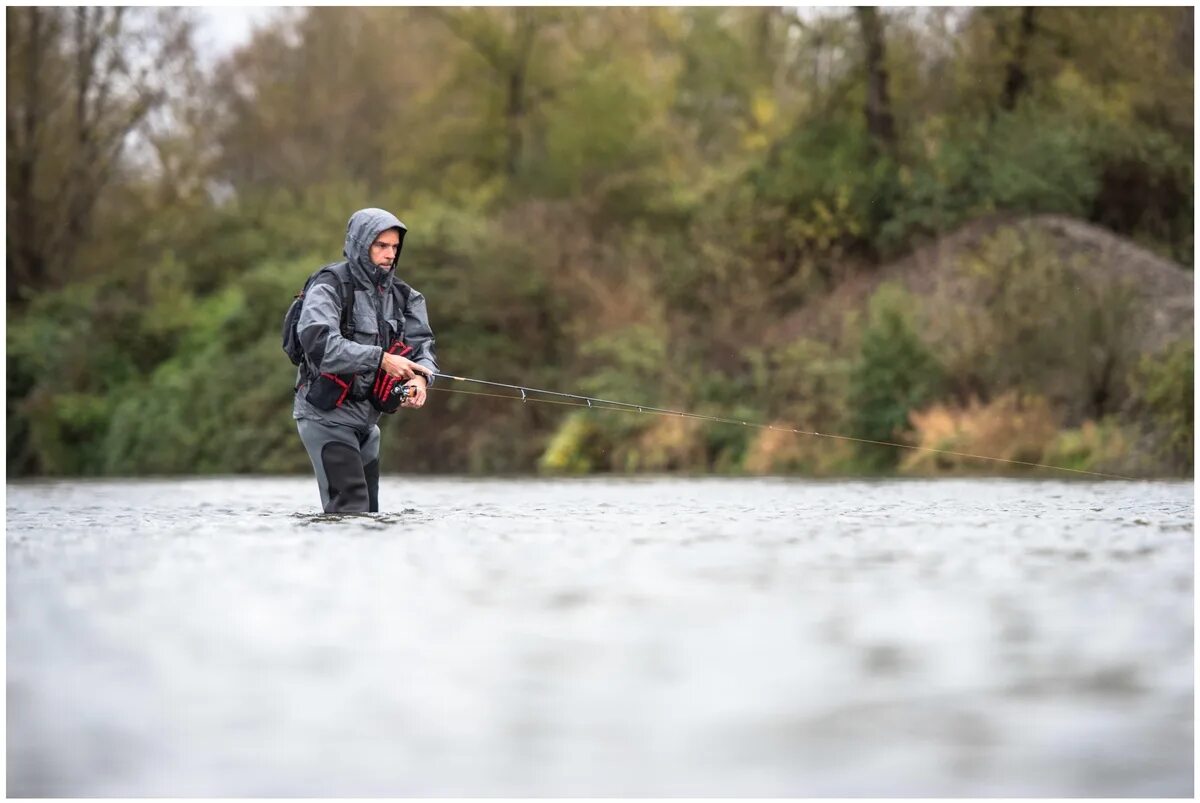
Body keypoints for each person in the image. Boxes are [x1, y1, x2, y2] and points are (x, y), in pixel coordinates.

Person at [293, 208, 438, 513]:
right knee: (350, 508)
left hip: (368, 422)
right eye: (381, 246)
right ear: (361, 244)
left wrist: (420, 380)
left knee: (369, 514)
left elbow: (423, 348)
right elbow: (319, 345)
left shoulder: (406, 297)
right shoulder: (329, 286)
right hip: (325, 416)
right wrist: (381, 359)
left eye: (394, 247)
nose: (389, 254)